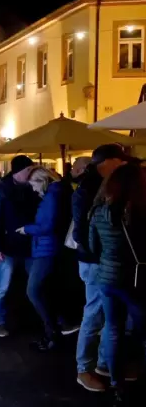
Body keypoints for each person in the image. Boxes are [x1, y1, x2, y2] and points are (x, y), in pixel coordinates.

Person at [73, 145, 138, 392]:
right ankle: (84, 368)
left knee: (109, 319)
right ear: (108, 162)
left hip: (109, 263)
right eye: (121, 163)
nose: (125, 168)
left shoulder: (108, 186)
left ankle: (105, 364)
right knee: (95, 314)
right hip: (96, 263)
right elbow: (83, 234)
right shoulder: (89, 189)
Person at [89, 163, 146, 404]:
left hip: (107, 278)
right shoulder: (141, 210)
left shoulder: (99, 210)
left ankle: (116, 383)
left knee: (113, 329)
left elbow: (93, 247)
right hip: (136, 280)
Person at [17, 167, 73, 351]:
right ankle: (58, 326)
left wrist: (27, 229)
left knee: (33, 291)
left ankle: (53, 332)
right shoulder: (57, 193)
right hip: (47, 247)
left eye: (33, 184)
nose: (33, 189)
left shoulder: (53, 196)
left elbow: (48, 225)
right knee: (44, 289)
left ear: (43, 180)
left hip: (47, 248)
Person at [0, 155, 40, 338]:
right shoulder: (2, 190)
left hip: (29, 244)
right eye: (28, 170)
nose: (30, 173)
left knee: (36, 283)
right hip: (8, 245)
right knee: (3, 286)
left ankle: (44, 318)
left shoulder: (32, 188)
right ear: (18, 171)